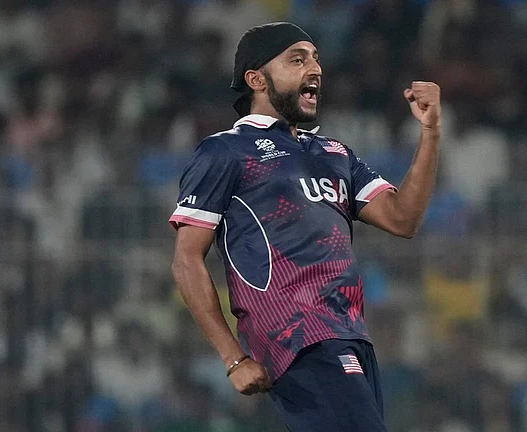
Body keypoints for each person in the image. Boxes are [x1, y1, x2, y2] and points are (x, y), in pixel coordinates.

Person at [170, 22, 441, 431]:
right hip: (297, 337)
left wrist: (431, 132)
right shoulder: (225, 151)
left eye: (316, 58)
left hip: (352, 334)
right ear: (256, 79)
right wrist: (233, 358)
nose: (314, 68)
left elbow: (403, 219)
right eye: (297, 59)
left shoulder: (334, 152)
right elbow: (186, 260)